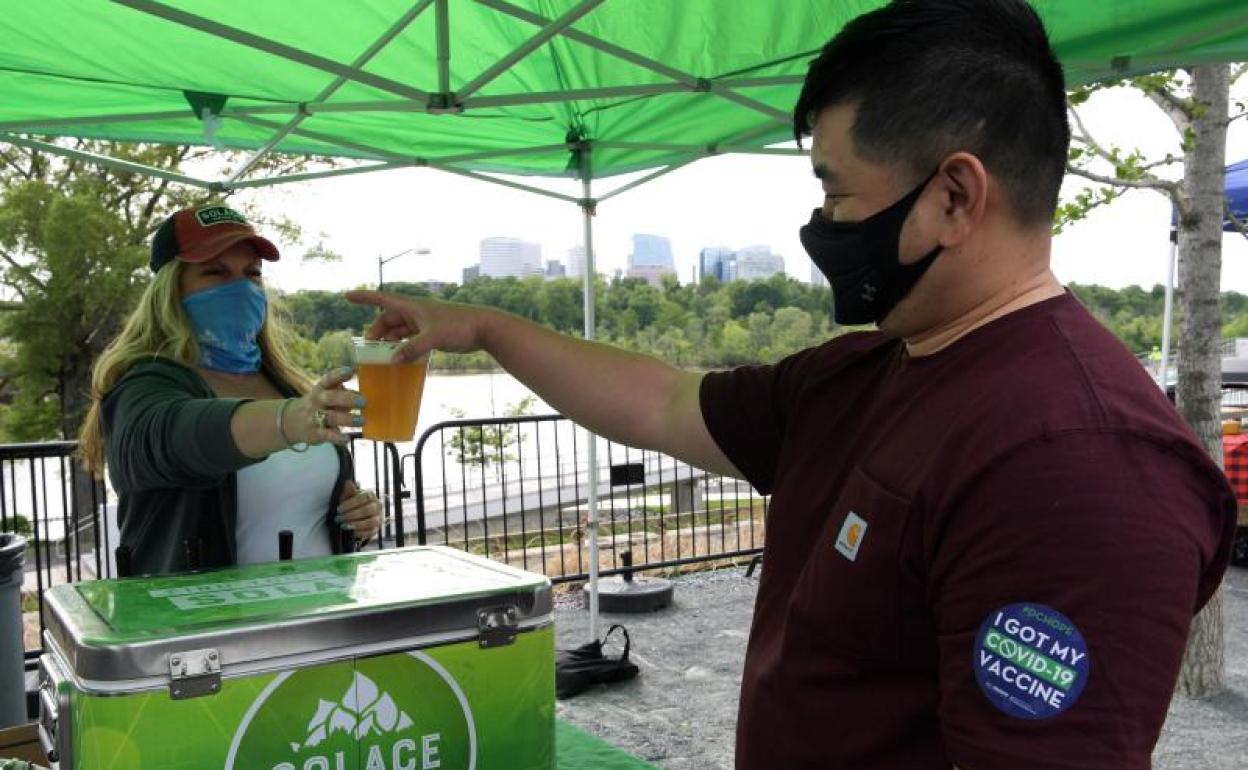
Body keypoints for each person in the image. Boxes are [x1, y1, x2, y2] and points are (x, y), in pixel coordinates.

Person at [345, 1, 1236, 767]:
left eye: (838, 194)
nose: (821, 226)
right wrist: (485, 328)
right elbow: (660, 402)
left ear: (957, 196)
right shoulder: (871, 368)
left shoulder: (1074, 461)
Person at [80, 204, 382, 576]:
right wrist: (288, 420)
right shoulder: (146, 382)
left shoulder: (287, 384)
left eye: (252, 274)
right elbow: (166, 435)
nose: (239, 287)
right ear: (170, 290)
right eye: (215, 272)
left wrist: (359, 517)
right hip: (209, 627)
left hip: (321, 617)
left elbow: (309, 510)